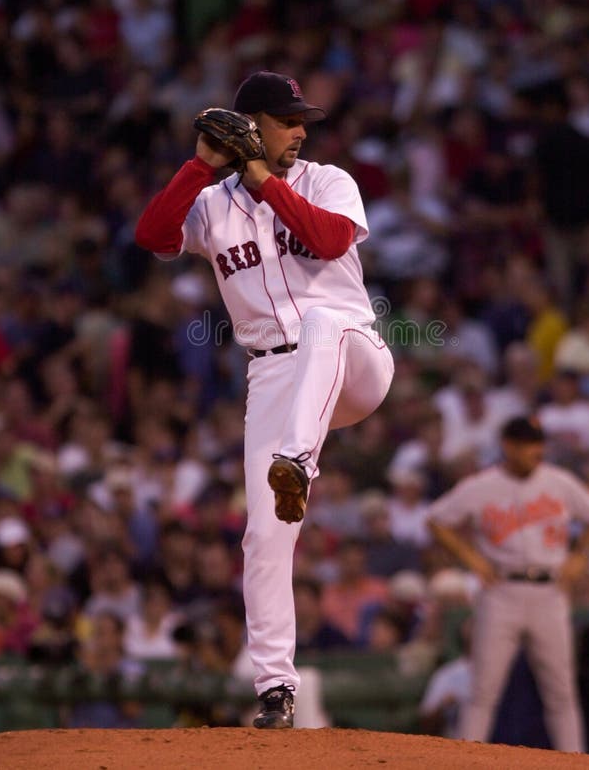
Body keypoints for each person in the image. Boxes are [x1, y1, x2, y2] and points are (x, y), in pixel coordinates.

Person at [135, 71, 394, 728]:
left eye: (302, 119)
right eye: (287, 120)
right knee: (263, 537)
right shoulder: (215, 203)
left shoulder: (327, 180)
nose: (301, 130)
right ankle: (276, 689)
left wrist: (264, 181)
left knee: (322, 319)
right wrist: (199, 167)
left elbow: (331, 242)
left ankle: (298, 461)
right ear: (253, 127)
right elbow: (154, 236)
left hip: (352, 357)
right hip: (274, 377)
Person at [426, 416, 589, 753]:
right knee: (483, 691)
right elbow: (437, 520)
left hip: (550, 592)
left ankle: (578, 761)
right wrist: (470, 556)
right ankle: (460, 761)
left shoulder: (559, 482)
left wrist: (581, 555)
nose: (536, 450)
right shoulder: (481, 486)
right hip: (502, 592)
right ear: (508, 446)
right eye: (527, 444)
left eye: (538, 443)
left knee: (561, 692)